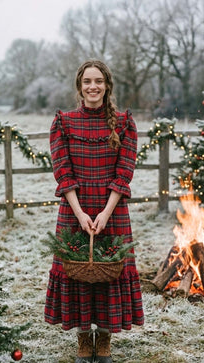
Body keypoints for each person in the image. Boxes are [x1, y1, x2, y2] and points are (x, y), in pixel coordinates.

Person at [44, 59, 144, 363]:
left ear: (107, 85)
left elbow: (124, 171)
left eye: (98, 81)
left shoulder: (125, 122)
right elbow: (63, 171)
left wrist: (105, 212)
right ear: (79, 86)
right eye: (87, 81)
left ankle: (104, 341)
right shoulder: (63, 121)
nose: (93, 87)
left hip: (111, 208)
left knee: (108, 272)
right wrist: (80, 213)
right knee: (79, 272)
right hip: (75, 208)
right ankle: (83, 340)